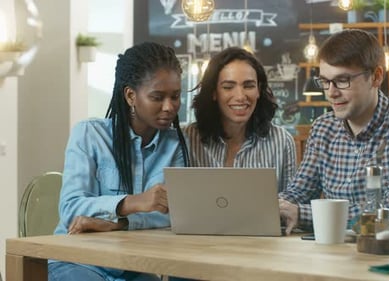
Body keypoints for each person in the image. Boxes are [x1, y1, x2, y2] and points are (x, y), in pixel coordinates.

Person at [279, 29, 389, 235]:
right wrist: (278, 208)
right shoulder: (323, 128)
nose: (331, 92)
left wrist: (303, 214)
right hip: (339, 254)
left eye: (342, 80)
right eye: (325, 81)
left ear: (376, 77)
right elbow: (298, 191)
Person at [49, 42, 189, 281]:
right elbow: (71, 209)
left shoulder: (175, 145)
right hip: (77, 259)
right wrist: (132, 203)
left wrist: (118, 224)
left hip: (132, 266)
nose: (169, 107)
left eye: (175, 96)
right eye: (157, 97)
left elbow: (173, 216)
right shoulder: (89, 135)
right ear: (131, 95)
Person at [184, 47, 296, 192]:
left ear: (258, 91)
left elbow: (292, 203)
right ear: (214, 92)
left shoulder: (282, 141)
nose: (240, 96)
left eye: (248, 86)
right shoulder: (188, 138)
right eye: (228, 87)